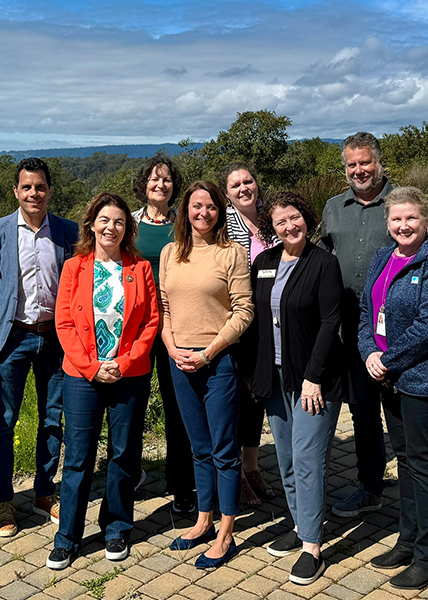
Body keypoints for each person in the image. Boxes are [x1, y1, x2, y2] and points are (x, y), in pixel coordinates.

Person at [319, 133, 428, 519]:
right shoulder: (332, 208)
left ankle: (416, 498)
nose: (359, 170)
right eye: (351, 164)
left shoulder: (402, 204)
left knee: (401, 418)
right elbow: (322, 262)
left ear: (379, 162)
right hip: (350, 333)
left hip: (398, 336)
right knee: (361, 412)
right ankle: (370, 485)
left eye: (365, 162)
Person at [46, 193, 160, 570]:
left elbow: (150, 322)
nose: (111, 227)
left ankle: (116, 526)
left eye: (120, 222)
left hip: (130, 374)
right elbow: (63, 323)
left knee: (123, 454)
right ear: (91, 224)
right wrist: (92, 367)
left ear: (128, 229)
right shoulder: (75, 267)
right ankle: (68, 537)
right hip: (82, 376)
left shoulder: (140, 267)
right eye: (105, 220)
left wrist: (124, 363)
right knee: (78, 458)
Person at [359, 187, 428, 590]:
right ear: (388, 223)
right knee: (403, 459)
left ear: (425, 221)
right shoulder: (383, 257)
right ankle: (407, 540)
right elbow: (368, 311)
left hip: (426, 379)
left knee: (423, 462)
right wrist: (369, 350)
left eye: (411, 219)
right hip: (389, 375)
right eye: (396, 219)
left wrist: (386, 360)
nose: (403, 226)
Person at [0, 157, 79, 538]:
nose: (33, 193)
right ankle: (3, 500)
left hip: (55, 337)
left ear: (50, 191)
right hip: (14, 337)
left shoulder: (68, 231)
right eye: (26, 187)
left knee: (53, 418)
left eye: (40, 187)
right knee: (5, 420)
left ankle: (43, 491)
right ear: (16, 191)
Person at [248, 192, 344, 585]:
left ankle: (313, 548)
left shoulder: (323, 264)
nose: (290, 226)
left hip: (313, 381)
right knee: (285, 460)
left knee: (306, 459)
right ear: (272, 229)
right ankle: (301, 523)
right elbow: (255, 321)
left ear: (306, 218)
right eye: (281, 222)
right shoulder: (264, 263)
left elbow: (330, 321)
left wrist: (314, 375)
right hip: (275, 378)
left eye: (295, 218)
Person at [160, 181, 254, 569]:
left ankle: (226, 533)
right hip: (178, 361)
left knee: (223, 451)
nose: (203, 213)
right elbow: (164, 309)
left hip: (218, 363)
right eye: (196, 206)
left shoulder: (231, 253)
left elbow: (244, 310)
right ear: (185, 211)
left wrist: (208, 352)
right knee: (198, 447)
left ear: (220, 211)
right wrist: (171, 347)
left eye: (211, 207)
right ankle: (203, 519)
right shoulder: (171, 252)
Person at [129, 155, 197, 514]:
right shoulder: (131, 225)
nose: (161, 185)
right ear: (144, 184)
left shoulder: (184, 224)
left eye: (167, 180)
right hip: (136, 327)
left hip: (177, 323)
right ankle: (130, 473)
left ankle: (181, 483)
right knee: (131, 403)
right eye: (155, 180)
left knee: (177, 405)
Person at [221, 162, 277, 509]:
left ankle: (252, 466)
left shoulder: (271, 218)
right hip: (239, 323)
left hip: (271, 324)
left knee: (257, 397)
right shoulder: (225, 225)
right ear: (226, 193)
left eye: (248, 181)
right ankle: (237, 476)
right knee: (238, 399)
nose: (244, 188)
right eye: (235, 184)